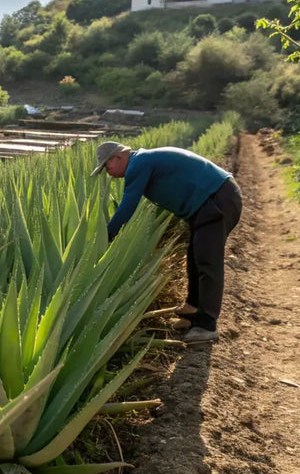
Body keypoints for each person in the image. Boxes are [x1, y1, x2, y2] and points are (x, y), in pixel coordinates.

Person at [92, 141, 242, 344]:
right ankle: (193, 311)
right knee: (195, 257)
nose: (108, 173)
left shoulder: (138, 164)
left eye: (106, 167)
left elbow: (128, 205)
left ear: (117, 157)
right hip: (212, 201)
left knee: (208, 261)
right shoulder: (143, 160)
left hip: (217, 198)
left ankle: (207, 326)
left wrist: (106, 236)